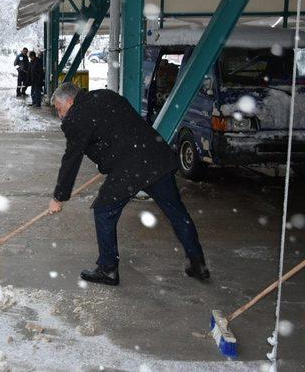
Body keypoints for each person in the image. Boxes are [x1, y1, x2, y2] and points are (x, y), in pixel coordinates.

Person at [47, 82, 209, 286]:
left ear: (69, 101)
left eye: (60, 110)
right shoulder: (105, 95)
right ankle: (197, 262)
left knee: (104, 211)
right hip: (156, 157)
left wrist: (58, 197)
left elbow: (72, 158)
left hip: (131, 167)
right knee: (176, 211)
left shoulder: (76, 117)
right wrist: (106, 160)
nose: (61, 116)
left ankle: (108, 269)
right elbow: (119, 128)